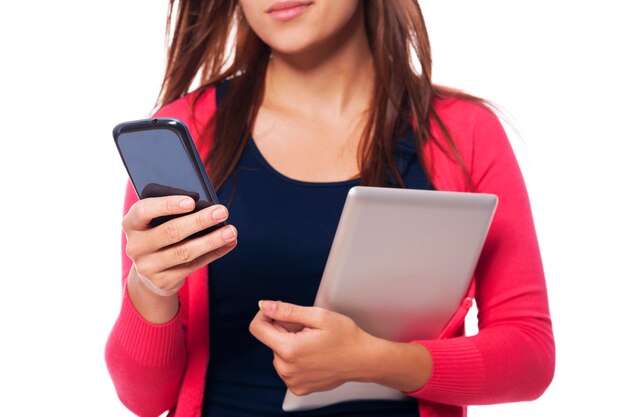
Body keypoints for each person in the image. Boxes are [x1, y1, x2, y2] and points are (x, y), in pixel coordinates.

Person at [105, 1, 555, 416]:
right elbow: (145, 399)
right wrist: (150, 290)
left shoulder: (463, 132)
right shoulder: (189, 131)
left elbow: (529, 355)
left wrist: (375, 361)